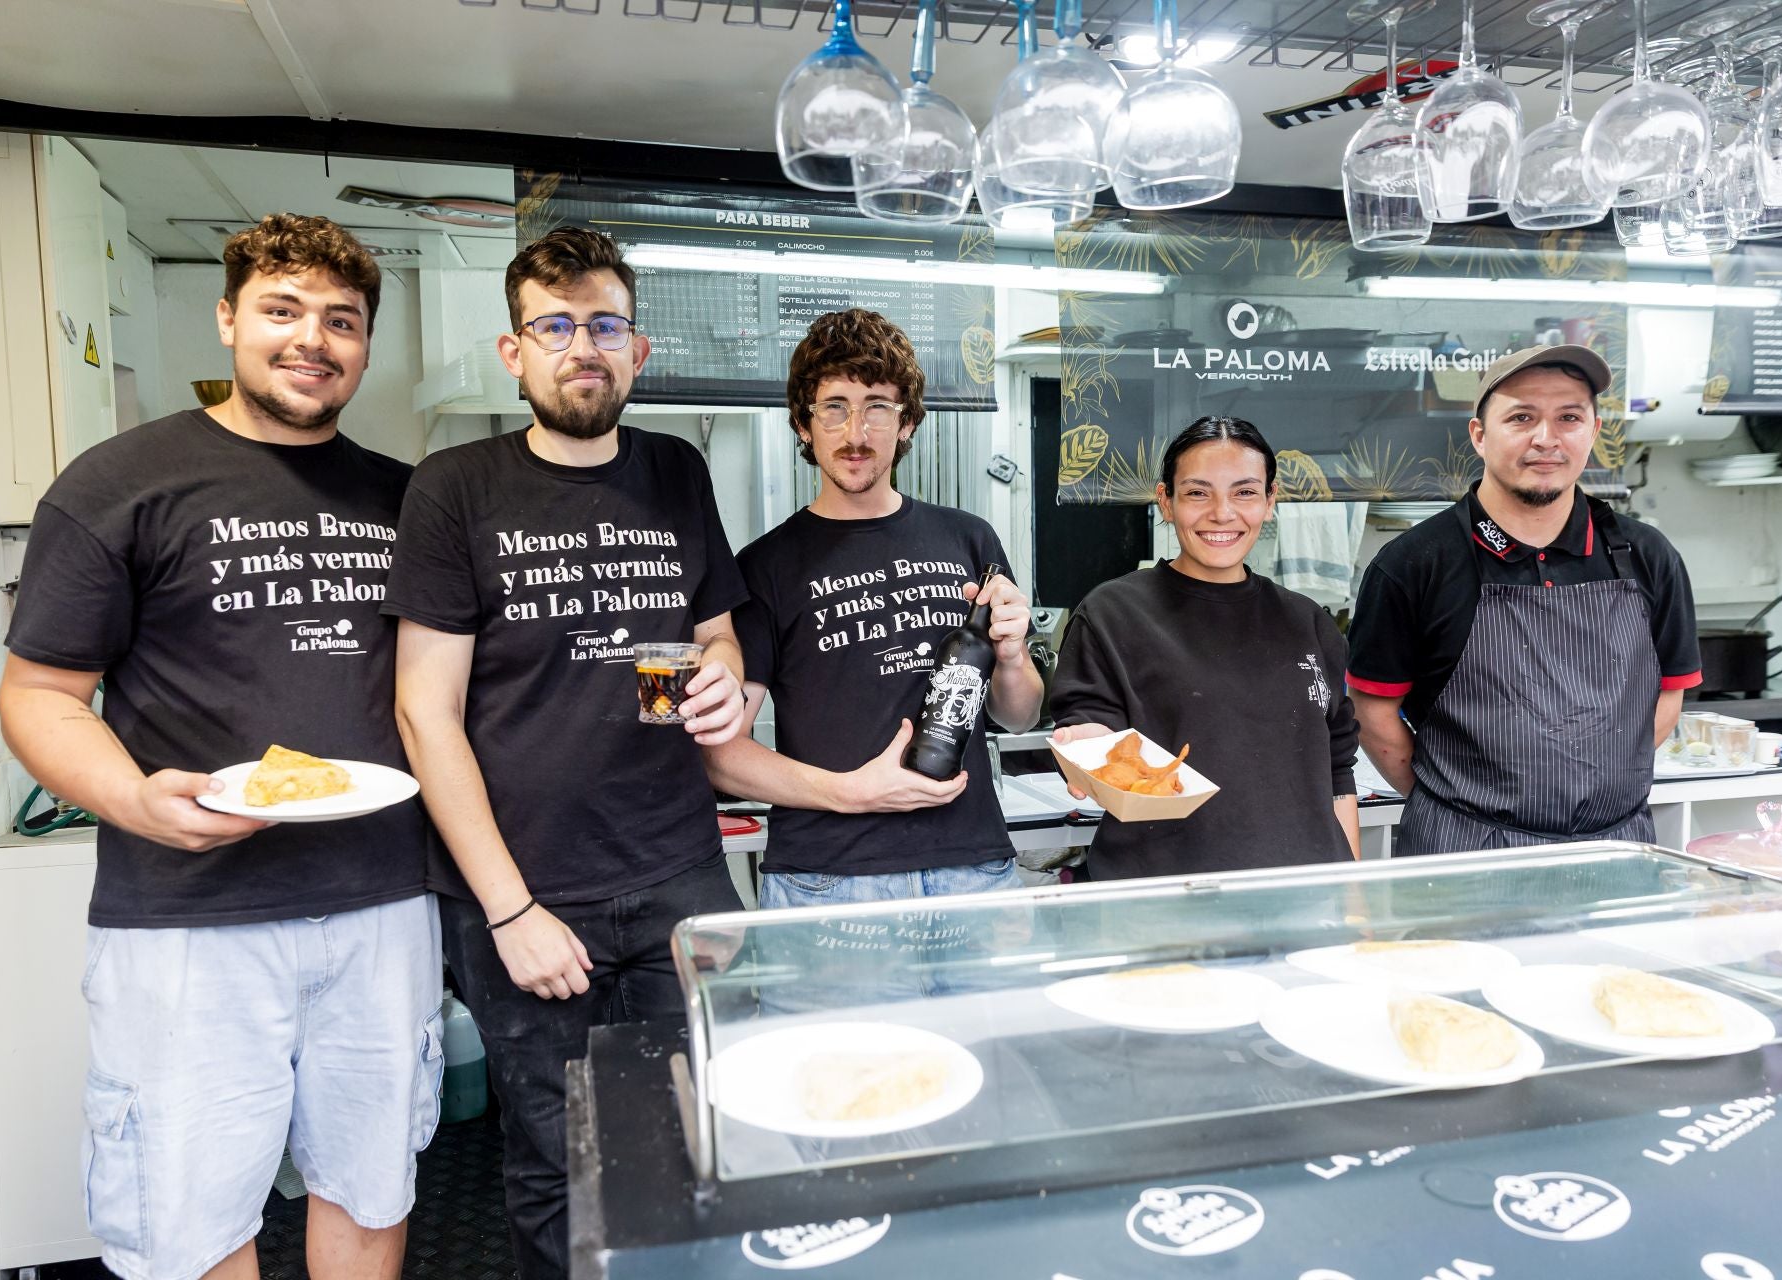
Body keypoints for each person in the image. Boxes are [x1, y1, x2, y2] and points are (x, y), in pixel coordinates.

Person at [0, 214, 436, 1280]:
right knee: (191, 1216)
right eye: (282, 310)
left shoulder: (408, 498)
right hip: (189, 920)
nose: (313, 339)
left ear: (366, 342)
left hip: (381, 898)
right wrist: (137, 800)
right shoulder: (117, 485)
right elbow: (39, 693)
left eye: (341, 319)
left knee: (373, 1183)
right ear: (229, 317)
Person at [384, 227, 748, 1278]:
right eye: (555, 325)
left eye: (603, 325)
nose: (581, 346)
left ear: (635, 350)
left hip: (677, 869)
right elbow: (424, 712)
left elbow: (711, 625)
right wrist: (509, 908)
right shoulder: (453, 487)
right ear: (516, 351)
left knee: (687, 1136)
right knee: (554, 1156)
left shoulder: (675, 470)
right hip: (529, 890)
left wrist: (724, 670)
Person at [700, 309, 1042, 999]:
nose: (856, 434)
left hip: (975, 874)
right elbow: (721, 755)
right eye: (835, 408)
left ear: (907, 421)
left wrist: (1011, 656)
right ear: (803, 423)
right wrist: (850, 793)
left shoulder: (970, 539)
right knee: (839, 1098)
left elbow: (1018, 716)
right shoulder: (764, 567)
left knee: (994, 1091)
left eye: (877, 407)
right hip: (831, 887)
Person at [1346, 344, 1701, 855]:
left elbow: (1670, 690)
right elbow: (1374, 713)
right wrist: (1454, 804)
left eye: (1569, 417)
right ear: (1479, 435)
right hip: (1465, 852)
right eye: (1521, 417)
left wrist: (1599, 792)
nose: (1546, 439)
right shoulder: (1414, 564)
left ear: (1594, 432)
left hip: (1614, 851)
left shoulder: (1647, 556)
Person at [1049, 415, 1361, 877]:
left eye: (1245, 492)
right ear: (1166, 501)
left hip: (1306, 896)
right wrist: (1084, 751)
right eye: (1197, 492)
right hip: (1167, 898)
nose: (1222, 512)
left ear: (1270, 501)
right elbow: (1095, 737)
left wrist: (1352, 892)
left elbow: (1338, 770)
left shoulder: (1307, 621)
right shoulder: (1114, 613)